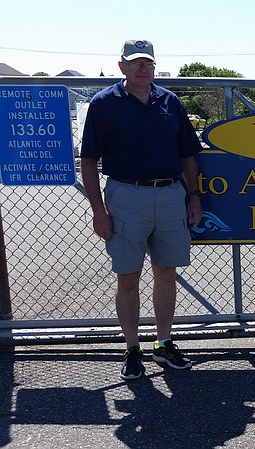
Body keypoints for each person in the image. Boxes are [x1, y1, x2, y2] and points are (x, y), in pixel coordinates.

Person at [80, 39, 203, 380]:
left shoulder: (170, 102)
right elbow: (89, 159)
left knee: (166, 272)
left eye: (147, 63)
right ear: (122, 66)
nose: (142, 68)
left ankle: (163, 343)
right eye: (135, 63)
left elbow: (186, 156)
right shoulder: (104, 103)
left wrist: (194, 195)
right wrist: (98, 209)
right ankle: (132, 348)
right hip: (125, 196)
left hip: (169, 195)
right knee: (128, 276)